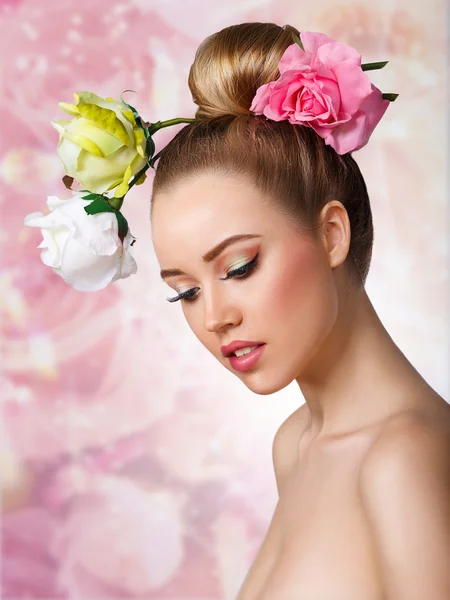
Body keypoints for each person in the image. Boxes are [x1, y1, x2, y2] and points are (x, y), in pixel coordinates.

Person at [149, 22, 450, 599]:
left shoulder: (406, 459)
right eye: (185, 291)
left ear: (332, 234)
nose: (215, 317)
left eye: (239, 268)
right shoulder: (296, 446)